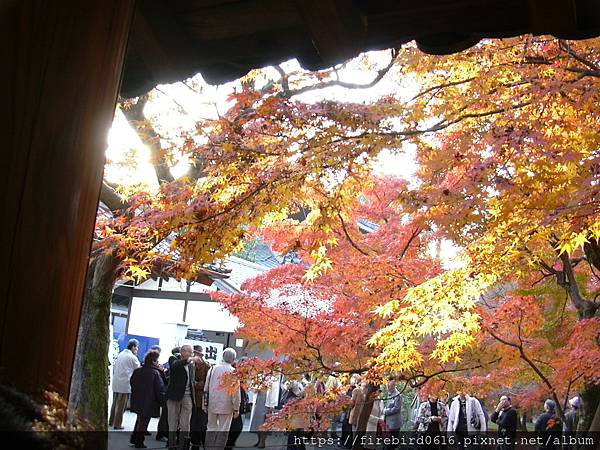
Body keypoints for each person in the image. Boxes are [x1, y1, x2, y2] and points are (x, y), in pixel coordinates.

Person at [204, 348, 241, 450]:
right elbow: (235, 392)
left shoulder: (212, 369)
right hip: (227, 405)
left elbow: (206, 387)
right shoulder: (233, 372)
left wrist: (205, 404)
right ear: (233, 359)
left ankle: (208, 448)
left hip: (212, 402)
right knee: (223, 429)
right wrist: (236, 407)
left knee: (210, 427)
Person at [129, 350, 166, 448]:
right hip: (149, 401)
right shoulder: (155, 373)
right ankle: (139, 442)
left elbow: (132, 382)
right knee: (144, 422)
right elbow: (159, 388)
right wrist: (162, 401)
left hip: (138, 399)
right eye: (157, 360)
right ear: (154, 361)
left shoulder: (138, 370)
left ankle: (134, 438)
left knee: (139, 420)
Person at [166, 344, 197, 449]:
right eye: (189, 352)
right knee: (172, 422)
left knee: (185, 423)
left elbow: (191, 379)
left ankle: (183, 445)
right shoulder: (174, 359)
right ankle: (171, 444)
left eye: (192, 352)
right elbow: (174, 366)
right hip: (174, 395)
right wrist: (189, 360)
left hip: (188, 395)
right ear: (183, 352)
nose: (191, 354)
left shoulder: (191, 364)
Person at [109, 338, 140, 430]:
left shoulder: (121, 354)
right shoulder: (132, 357)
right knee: (121, 406)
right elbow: (138, 369)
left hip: (116, 383)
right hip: (125, 384)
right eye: (137, 347)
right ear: (134, 347)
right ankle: (117, 424)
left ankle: (111, 421)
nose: (137, 349)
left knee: (114, 404)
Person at [156, 347, 180, 442]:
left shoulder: (170, 365)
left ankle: (163, 433)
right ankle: (161, 434)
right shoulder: (173, 361)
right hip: (169, 393)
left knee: (167, 415)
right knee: (166, 415)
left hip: (169, 392)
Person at [191, 345, 211, 450]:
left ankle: (200, 444)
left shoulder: (207, 367)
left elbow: (207, 384)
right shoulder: (191, 365)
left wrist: (195, 384)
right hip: (191, 399)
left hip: (201, 400)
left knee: (201, 425)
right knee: (193, 424)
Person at [383, 379, 402, 450]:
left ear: (394, 386)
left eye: (389, 386)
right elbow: (388, 405)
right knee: (388, 441)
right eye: (387, 386)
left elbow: (397, 408)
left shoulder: (397, 395)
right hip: (388, 422)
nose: (388, 387)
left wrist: (385, 411)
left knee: (392, 442)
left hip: (394, 423)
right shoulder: (390, 394)